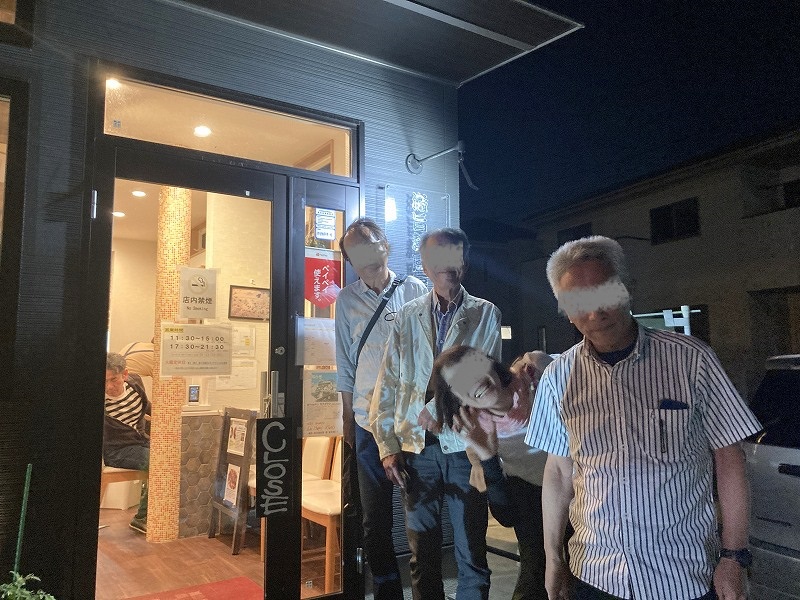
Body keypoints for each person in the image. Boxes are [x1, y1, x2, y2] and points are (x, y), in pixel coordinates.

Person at [525, 236, 761, 600]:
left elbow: (730, 458)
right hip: (594, 573)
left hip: (683, 573)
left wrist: (734, 557)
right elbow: (558, 471)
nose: (595, 311)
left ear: (627, 290)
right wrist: (553, 558)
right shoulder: (558, 377)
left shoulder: (691, 360)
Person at [371, 227, 501, 600]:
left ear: (466, 263)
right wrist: (386, 445)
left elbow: (482, 377)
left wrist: (434, 408)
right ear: (425, 266)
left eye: (456, 255)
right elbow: (388, 380)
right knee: (421, 552)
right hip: (415, 448)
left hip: (465, 445)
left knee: (471, 550)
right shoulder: (407, 315)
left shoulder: (485, 313)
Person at [335, 218, 427, 599]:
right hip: (366, 424)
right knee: (374, 521)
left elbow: (428, 353)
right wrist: (347, 422)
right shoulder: (346, 301)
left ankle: (424, 590)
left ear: (385, 245)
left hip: (410, 422)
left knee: (420, 516)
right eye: (355, 250)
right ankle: (388, 593)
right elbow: (345, 365)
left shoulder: (415, 290)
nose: (366, 253)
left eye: (370, 243)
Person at [432, 345, 553, 600]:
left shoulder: (536, 371)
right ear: (458, 398)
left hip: (590, 494)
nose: (472, 379)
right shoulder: (479, 429)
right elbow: (506, 516)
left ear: (490, 363)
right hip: (536, 504)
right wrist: (487, 457)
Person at [104, 352, 151, 534]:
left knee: (174, 456)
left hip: (140, 441)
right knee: (159, 462)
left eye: (114, 379)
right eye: (104, 381)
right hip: (117, 451)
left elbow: (146, 405)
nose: (109, 386)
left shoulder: (135, 383)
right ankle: (142, 518)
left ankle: (158, 512)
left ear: (125, 374)